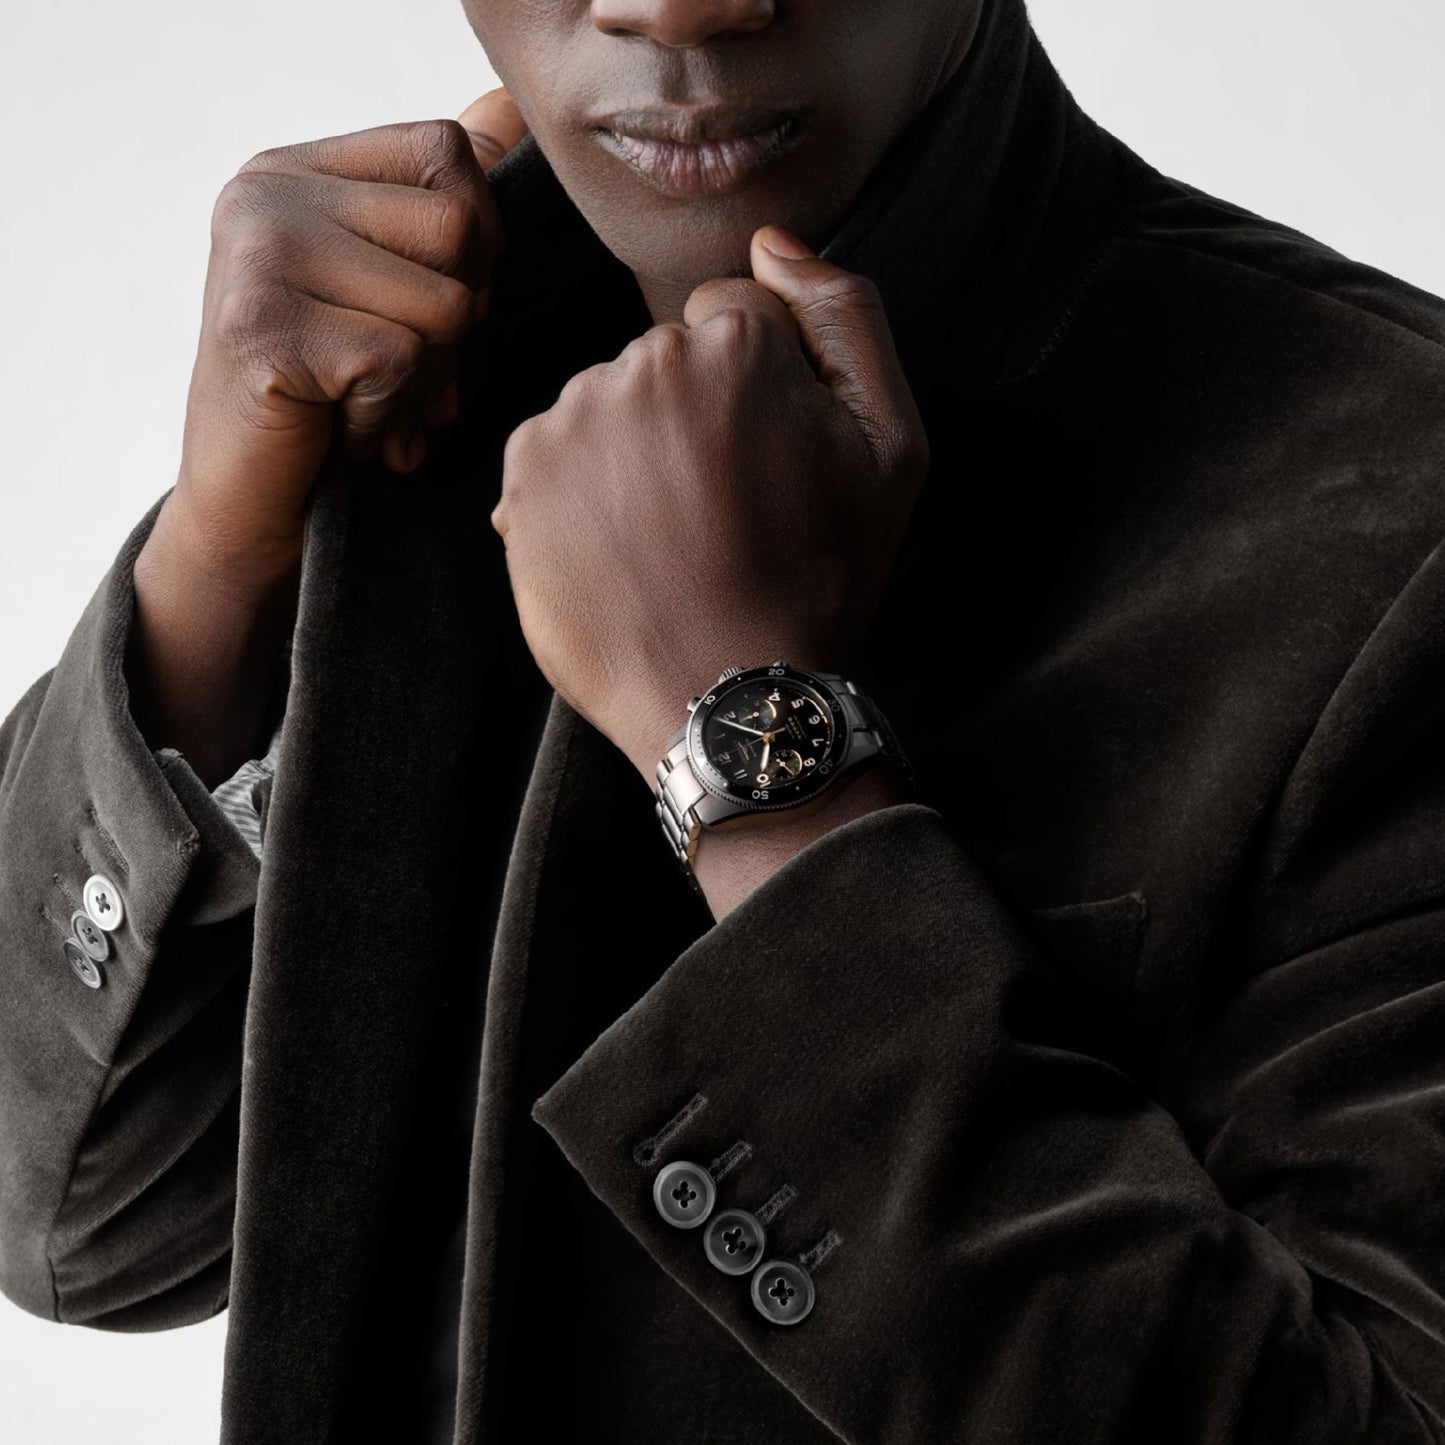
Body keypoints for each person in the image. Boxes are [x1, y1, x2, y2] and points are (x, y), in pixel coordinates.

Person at [3, 0, 1444, 1439]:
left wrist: (767, 779)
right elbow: (77, 1227)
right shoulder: (404, 380)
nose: (676, 4)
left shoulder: (1396, 521)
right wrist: (219, 568)